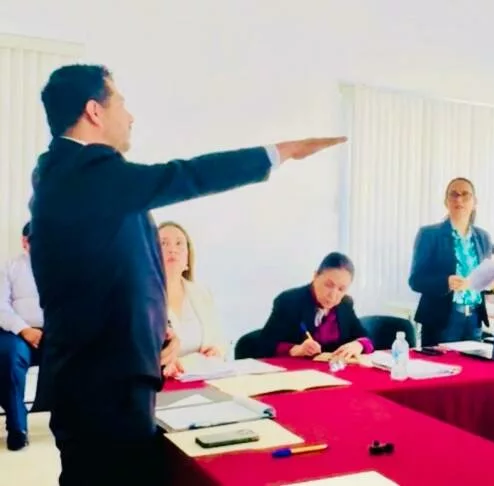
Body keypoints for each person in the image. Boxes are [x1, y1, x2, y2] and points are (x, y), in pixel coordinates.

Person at [28, 63, 345, 486]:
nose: (131, 116)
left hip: (108, 374)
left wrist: (158, 331)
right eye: (121, 103)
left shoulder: (76, 177)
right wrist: (278, 152)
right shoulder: (83, 170)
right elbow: (185, 175)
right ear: (94, 111)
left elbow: (110, 272)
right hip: (103, 384)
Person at [408, 177, 493, 346]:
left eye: (465, 195)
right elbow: (416, 280)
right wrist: (445, 282)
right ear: (446, 202)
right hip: (442, 320)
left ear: (475, 202)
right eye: (453, 194)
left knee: (473, 363)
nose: (459, 199)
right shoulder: (429, 234)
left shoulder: (483, 237)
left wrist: (492, 282)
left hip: (474, 318)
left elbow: (485, 277)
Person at [258, 252, 373, 359]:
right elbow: (264, 344)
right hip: (298, 370)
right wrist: (295, 349)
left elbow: (366, 338)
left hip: (333, 369)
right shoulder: (289, 301)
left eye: (341, 289)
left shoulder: (345, 304)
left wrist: (358, 345)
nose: (333, 295)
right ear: (315, 276)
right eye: (328, 285)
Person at [158, 222, 225, 374]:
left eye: (179, 243)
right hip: (160, 382)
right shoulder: (140, 299)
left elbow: (219, 339)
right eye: (163, 243)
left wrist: (217, 350)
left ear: (188, 259)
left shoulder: (202, 293)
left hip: (199, 377)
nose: (172, 249)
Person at [0, 223, 42, 450]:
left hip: (54, 331)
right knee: (10, 358)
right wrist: (24, 329)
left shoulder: (66, 265)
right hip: (17, 333)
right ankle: (17, 427)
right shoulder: (9, 267)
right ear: (25, 242)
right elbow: (1, 307)